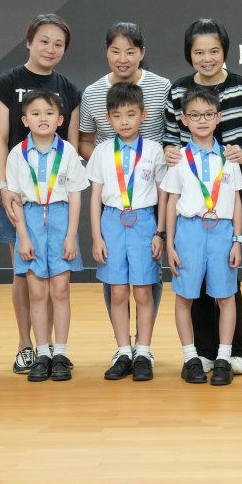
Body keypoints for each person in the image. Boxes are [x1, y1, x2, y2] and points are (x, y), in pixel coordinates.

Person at [162, 18, 242, 376]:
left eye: (214, 51)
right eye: (199, 52)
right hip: (190, 194)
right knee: (192, 283)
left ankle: (232, 351)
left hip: (227, 190)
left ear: (225, 51)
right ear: (189, 54)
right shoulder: (179, 90)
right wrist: (170, 151)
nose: (207, 58)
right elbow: (169, 137)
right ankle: (202, 352)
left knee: (226, 281)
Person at [0, 14, 82, 375]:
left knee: (55, 279)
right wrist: (3, 188)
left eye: (58, 44)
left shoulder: (69, 89)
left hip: (54, 198)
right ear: (28, 41)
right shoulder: (4, 84)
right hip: (16, 191)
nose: (50, 49)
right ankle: (26, 345)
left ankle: (54, 349)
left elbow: (71, 144)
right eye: (44, 41)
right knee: (24, 274)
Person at [162, 87, 242, 387]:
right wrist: (170, 244)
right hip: (189, 231)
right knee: (185, 296)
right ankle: (191, 357)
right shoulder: (179, 158)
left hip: (222, 232)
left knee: (225, 296)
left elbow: (236, 201)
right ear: (184, 119)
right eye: (195, 115)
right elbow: (171, 202)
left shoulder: (229, 156)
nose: (202, 120)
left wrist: (237, 239)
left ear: (218, 117)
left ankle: (223, 357)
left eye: (208, 114)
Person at [6, 90, 89, 382]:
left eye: (50, 113)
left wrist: (71, 235)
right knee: (37, 293)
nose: (43, 118)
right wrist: (23, 237)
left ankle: (61, 353)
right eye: (36, 113)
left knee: (60, 291)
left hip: (60, 220)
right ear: (25, 120)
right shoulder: (17, 154)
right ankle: (42, 353)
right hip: (29, 223)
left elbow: (76, 196)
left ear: (61, 120)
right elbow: (14, 200)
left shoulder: (68, 152)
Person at [89, 83, 168, 382]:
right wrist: (97, 237)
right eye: (117, 115)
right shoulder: (101, 151)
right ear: (108, 118)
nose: (124, 121)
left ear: (143, 115)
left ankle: (143, 351)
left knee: (144, 290)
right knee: (118, 291)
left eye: (131, 114)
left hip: (145, 223)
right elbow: (94, 197)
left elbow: (163, 194)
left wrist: (160, 233)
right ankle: (123, 351)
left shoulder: (154, 150)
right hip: (111, 222)